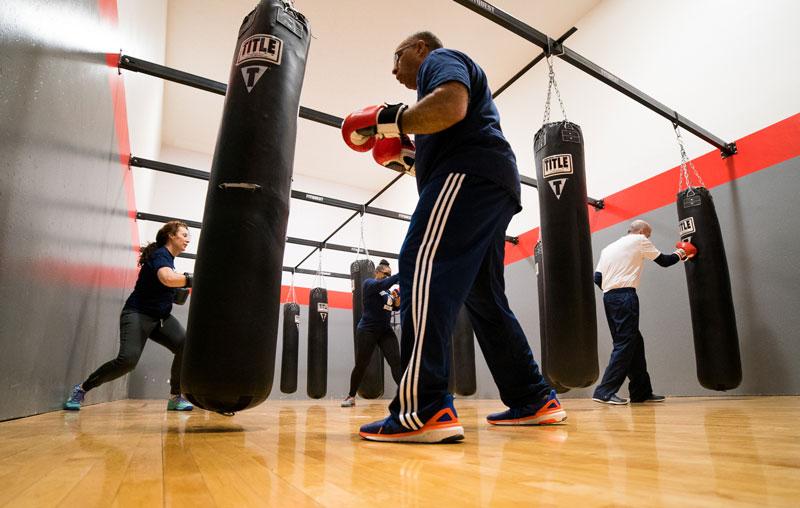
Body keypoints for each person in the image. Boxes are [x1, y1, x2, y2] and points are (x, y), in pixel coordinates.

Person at [341, 31, 566, 443]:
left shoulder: (439, 61)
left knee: (419, 265)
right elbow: (445, 131)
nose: (394, 70)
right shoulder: (432, 101)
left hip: (468, 175)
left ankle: (421, 409)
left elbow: (451, 106)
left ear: (419, 48)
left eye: (397, 56)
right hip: (487, 182)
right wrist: (406, 157)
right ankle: (532, 398)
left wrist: (386, 120)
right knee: (485, 299)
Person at [64, 220, 195, 411]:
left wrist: (176, 294)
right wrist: (191, 279)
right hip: (138, 314)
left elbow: (165, 286)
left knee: (185, 345)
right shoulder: (160, 255)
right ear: (171, 236)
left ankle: (175, 396)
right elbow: (166, 278)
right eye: (184, 235)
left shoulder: (169, 261)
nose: (188, 240)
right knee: (127, 361)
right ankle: (82, 388)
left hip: (161, 319)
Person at [592, 219, 696, 405]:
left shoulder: (608, 248)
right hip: (625, 297)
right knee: (625, 343)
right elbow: (664, 261)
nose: (649, 239)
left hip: (610, 298)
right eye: (648, 235)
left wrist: (612, 290)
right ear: (641, 232)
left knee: (634, 343)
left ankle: (641, 392)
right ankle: (604, 391)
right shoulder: (639, 240)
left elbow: (597, 277)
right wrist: (682, 252)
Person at [341, 259, 402, 407]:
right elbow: (383, 284)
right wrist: (403, 272)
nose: (388, 277)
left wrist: (397, 298)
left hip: (385, 330)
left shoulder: (387, 291)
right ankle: (351, 396)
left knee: (396, 362)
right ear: (377, 273)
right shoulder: (369, 284)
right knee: (362, 364)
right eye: (385, 274)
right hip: (368, 330)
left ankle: (404, 394)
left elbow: (395, 308)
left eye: (390, 275)